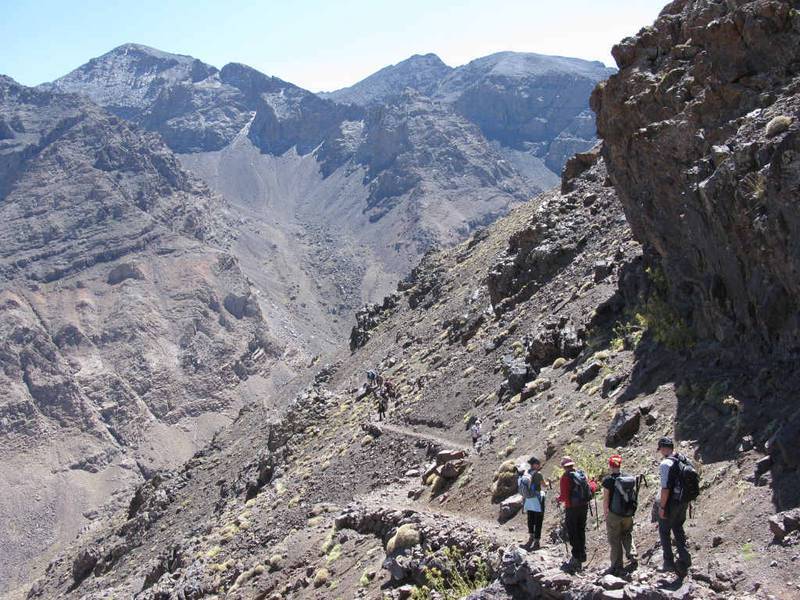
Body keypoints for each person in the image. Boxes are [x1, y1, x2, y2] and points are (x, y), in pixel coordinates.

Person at [657, 437, 692, 577]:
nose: (660, 452)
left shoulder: (666, 464)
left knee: (664, 530)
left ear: (665, 448)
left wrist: (661, 506)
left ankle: (668, 563)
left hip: (672, 502)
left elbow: (665, 489)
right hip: (684, 501)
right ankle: (684, 558)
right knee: (678, 528)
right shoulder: (683, 459)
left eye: (660, 449)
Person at [557, 456, 597, 569]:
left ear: (564, 466)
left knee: (573, 532)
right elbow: (591, 487)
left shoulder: (565, 477)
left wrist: (558, 499)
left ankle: (576, 557)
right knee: (581, 530)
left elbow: (564, 496)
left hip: (572, 508)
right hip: (584, 506)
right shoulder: (581, 474)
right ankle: (582, 554)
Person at [602, 454, 638, 576]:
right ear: (620, 464)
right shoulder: (628, 478)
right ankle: (632, 554)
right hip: (628, 513)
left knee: (615, 539)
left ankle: (617, 565)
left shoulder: (608, 480)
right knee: (627, 534)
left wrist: (605, 513)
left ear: (610, 466)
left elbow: (606, 499)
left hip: (614, 514)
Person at [518, 456, 546, 549]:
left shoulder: (526, 472)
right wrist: (549, 482)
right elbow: (544, 485)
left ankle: (531, 538)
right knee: (538, 520)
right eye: (538, 464)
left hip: (528, 499)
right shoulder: (538, 474)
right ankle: (537, 542)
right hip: (536, 499)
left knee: (530, 518)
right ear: (535, 465)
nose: (539, 466)